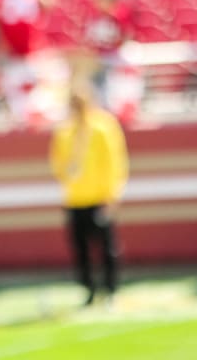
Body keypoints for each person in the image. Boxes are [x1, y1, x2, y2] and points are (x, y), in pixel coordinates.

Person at [49, 88, 129, 307]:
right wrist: (66, 172)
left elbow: (114, 162)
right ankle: (89, 289)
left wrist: (112, 195)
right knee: (80, 248)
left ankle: (111, 289)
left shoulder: (103, 126)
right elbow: (57, 162)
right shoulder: (65, 130)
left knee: (106, 247)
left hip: (99, 198)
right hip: (75, 199)